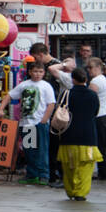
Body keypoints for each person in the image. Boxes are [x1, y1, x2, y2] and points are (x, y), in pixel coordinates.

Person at [0, 61, 55, 185]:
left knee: (42, 150)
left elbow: (51, 104)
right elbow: (10, 96)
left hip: (40, 123)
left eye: (40, 72)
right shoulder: (23, 85)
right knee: (29, 150)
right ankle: (32, 174)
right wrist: (1, 108)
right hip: (26, 123)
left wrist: (45, 119)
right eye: (35, 71)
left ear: (44, 73)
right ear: (30, 72)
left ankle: (44, 175)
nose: (37, 74)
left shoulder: (46, 86)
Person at [58, 67, 104, 202]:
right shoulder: (92, 95)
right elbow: (95, 112)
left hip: (68, 134)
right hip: (88, 135)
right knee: (85, 168)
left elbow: (59, 111)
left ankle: (71, 191)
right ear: (86, 79)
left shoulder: (66, 94)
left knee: (69, 167)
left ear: (73, 79)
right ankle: (81, 192)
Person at [30, 43, 71, 187]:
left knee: (54, 144)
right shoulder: (43, 67)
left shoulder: (58, 66)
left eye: (35, 57)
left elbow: (65, 86)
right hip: (42, 111)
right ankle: (50, 174)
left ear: (40, 54)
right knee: (46, 145)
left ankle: (58, 175)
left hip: (55, 111)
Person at [87, 57, 106, 181]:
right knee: (103, 144)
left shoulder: (95, 82)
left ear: (97, 67)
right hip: (104, 113)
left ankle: (102, 171)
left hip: (97, 116)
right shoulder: (103, 79)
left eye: (90, 67)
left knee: (98, 145)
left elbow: (90, 100)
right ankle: (104, 171)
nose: (89, 70)